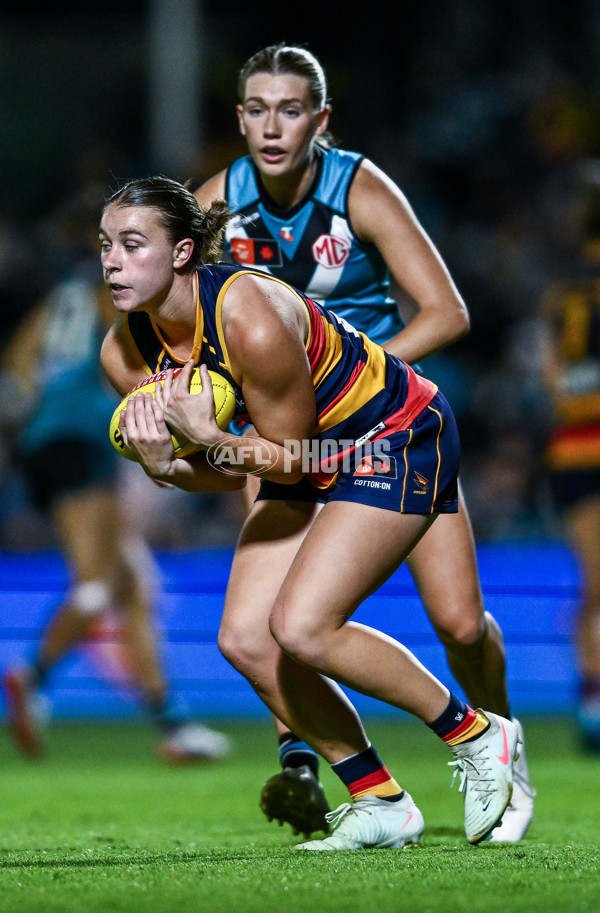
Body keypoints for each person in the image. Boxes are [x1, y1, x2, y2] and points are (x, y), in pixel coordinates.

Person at [99, 174, 519, 850]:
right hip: (303, 454)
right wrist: (167, 466)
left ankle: (479, 733)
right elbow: (221, 472)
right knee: (246, 638)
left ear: (182, 253)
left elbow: (289, 460)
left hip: (393, 434)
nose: (111, 261)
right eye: (105, 245)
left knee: (304, 625)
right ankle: (379, 796)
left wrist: (210, 440)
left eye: (132, 243)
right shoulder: (124, 352)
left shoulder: (249, 319)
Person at [192, 43, 535, 840]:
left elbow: (446, 312)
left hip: (385, 423)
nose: (272, 126)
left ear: (321, 120)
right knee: (267, 624)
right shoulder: (213, 208)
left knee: (458, 623)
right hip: (293, 441)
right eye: (257, 109)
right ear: (238, 117)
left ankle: (501, 744)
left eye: (291, 109)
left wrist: (355, 374)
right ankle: (344, 777)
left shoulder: (360, 188)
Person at [0, 194, 231, 764]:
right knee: (100, 584)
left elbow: (17, 371)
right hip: (82, 440)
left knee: (135, 585)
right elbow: (138, 359)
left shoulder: (57, 300)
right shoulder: (123, 294)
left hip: (43, 444)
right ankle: (30, 679)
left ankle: (172, 725)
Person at [539, 179, 600, 752]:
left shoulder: (563, 295)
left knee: (596, 581)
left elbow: (552, 380)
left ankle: (590, 698)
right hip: (584, 448)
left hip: (574, 450)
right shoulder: (570, 296)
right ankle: (591, 701)